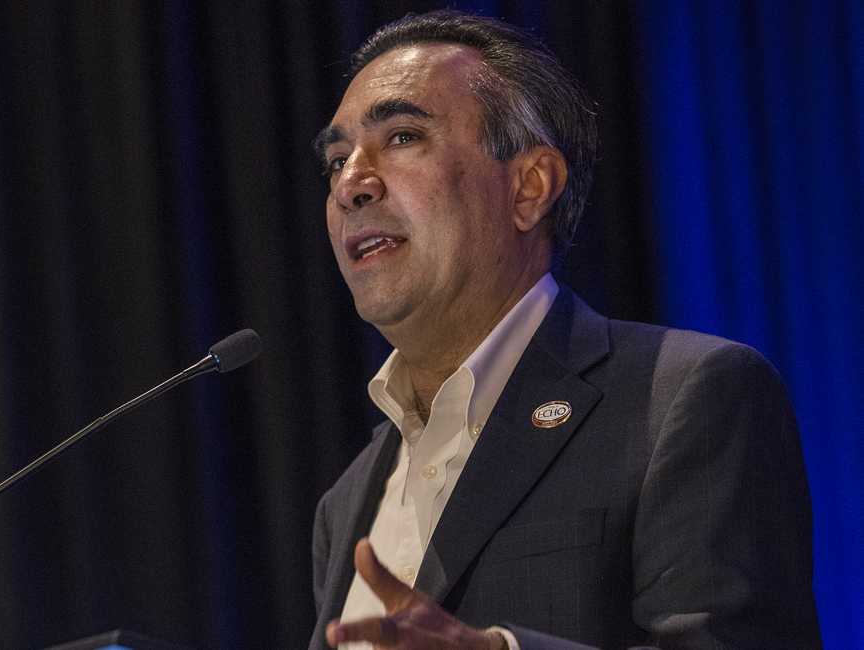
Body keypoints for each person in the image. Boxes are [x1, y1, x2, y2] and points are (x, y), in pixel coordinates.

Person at [309, 10, 820, 650]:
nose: (351, 183)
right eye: (336, 160)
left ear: (530, 188)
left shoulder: (686, 399)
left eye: (403, 136)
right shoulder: (347, 501)